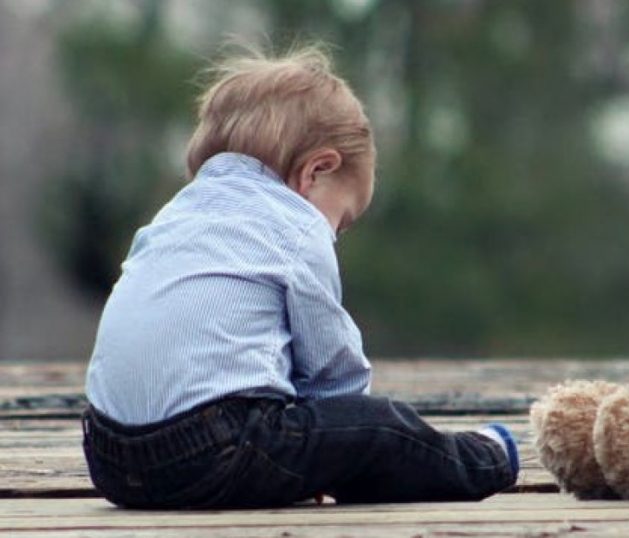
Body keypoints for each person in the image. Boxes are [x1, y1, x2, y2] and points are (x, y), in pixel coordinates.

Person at [81, 44, 518, 509]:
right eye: (343, 220)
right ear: (316, 171)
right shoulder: (296, 224)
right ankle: (486, 458)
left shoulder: (173, 215)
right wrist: (343, 441)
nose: (334, 235)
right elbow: (333, 373)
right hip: (212, 451)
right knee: (382, 428)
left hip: (109, 457)